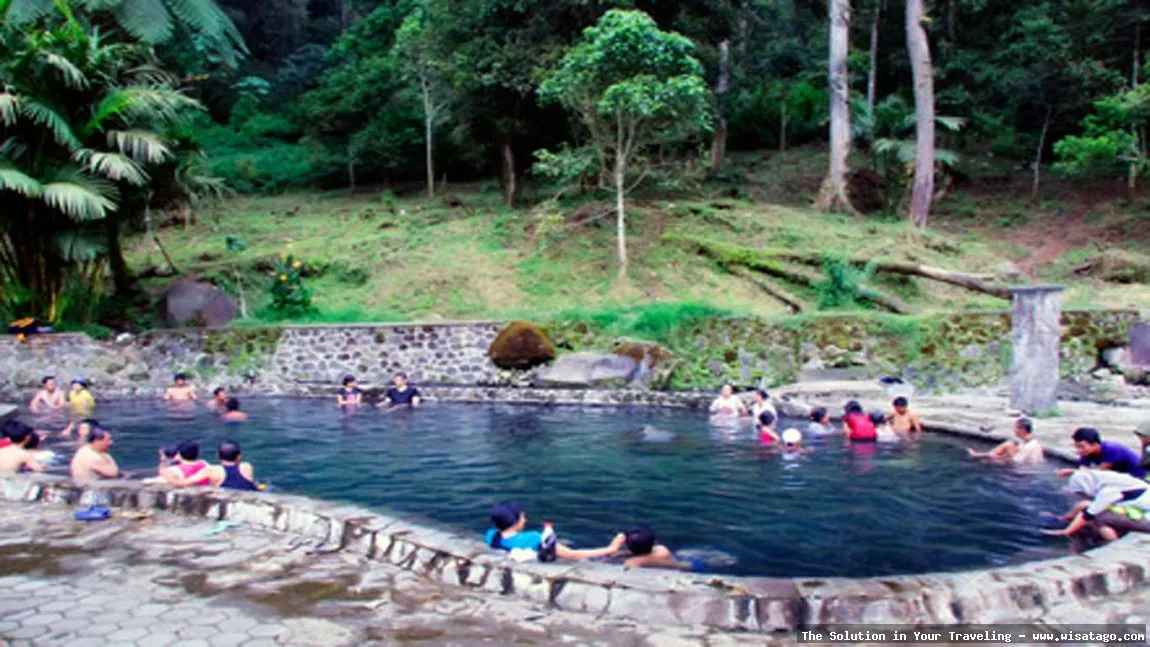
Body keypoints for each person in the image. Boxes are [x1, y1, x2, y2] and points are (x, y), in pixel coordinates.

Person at [484, 502, 624, 560]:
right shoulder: (533, 537)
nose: (525, 520)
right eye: (523, 517)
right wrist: (610, 548)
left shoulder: (490, 535)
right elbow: (573, 555)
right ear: (516, 521)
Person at [1044, 469, 1150, 543]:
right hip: (1140, 510)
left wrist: (1066, 532)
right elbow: (1087, 474)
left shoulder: (1108, 492)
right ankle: (1063, 519)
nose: (1083, 495)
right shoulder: (1108, 479)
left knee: (1099, 518)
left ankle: (1113, 546)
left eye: (1082, 493)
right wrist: (1072, 472)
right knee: (1085, 505)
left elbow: (1089, 514)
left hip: (1147, 519)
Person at [1057, 427, 1146, 479]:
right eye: (1076, 446)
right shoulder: (1086, 453)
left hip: (1138, 474)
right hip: (1119, 474)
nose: (1079, 450)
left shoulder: (1111, 449)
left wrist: (1072, 472)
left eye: (1082, 446)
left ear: (1095, 444)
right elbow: (1083, 471)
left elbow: (1100, 472)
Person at [616, 525, 700, 571]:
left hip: (690, 567)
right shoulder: (660, 549)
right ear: (655, 542)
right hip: (689, 562)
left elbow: (630, 564)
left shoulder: (633, 562)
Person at [967, 418, 1044, 465]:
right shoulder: (1028, 441)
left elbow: (1016, 462)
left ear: (1022, 430)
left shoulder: (1029, 446)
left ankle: (981, 456)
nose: (1014, 430)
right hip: (1024, 462)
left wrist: (996, 460)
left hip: (1025, 469)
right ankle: (982, 456)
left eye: (1016, 428)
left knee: (1007, 446)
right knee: (1008, 447)